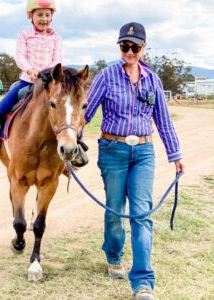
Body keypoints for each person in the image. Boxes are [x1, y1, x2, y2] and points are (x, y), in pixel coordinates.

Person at [84, 22, 185, 300]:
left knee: (141, 214)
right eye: (124, 46)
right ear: (119, 47)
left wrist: (175, 155)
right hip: (112, 150)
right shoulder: (105, 76)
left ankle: (142, 282)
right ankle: (114, 254)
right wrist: (70, 142)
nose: (129, 51)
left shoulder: (153, 80)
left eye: (135, 47)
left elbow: (163, 121)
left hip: (144, 152)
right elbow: (86, 113)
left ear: (143, 47)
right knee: (115, 210)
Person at [0, 0, 62, 159]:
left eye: (47, 15)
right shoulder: (24, 35)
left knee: (69, 107)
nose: (44, 18)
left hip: (49, 81)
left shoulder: (56, 38)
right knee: (1, 108)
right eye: (39, 15)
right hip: (27, 80)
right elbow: (20, 56)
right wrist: (30, 70)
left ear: (52, 17)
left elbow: (57, 59)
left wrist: (45, 72)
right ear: (31, 16)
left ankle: (77, 144)